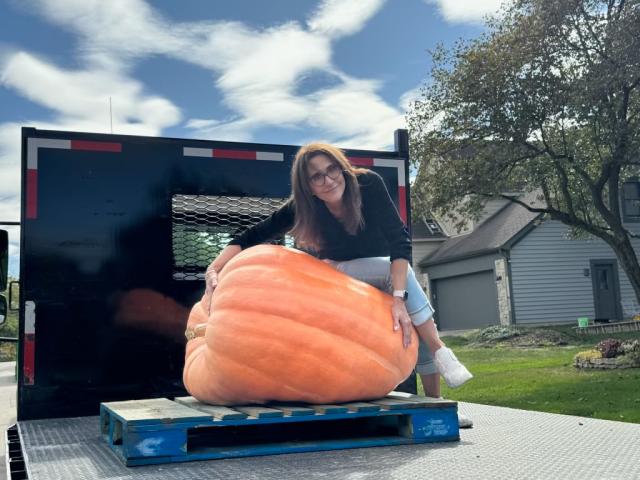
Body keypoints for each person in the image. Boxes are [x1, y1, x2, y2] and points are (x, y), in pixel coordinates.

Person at [203, 143, 473, 413]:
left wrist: (399, 299)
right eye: (317, 176)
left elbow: (399, 241)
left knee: (414, 323)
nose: (328, 179)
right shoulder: (304, 206)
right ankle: (441, 351)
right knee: (405, 291)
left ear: (342, 167)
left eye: (332, 169)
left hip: (381, 270)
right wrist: (213, 268)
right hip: (339, 273)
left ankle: (438, 408)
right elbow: (253, 235)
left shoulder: (367, 184)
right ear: (308, 186)